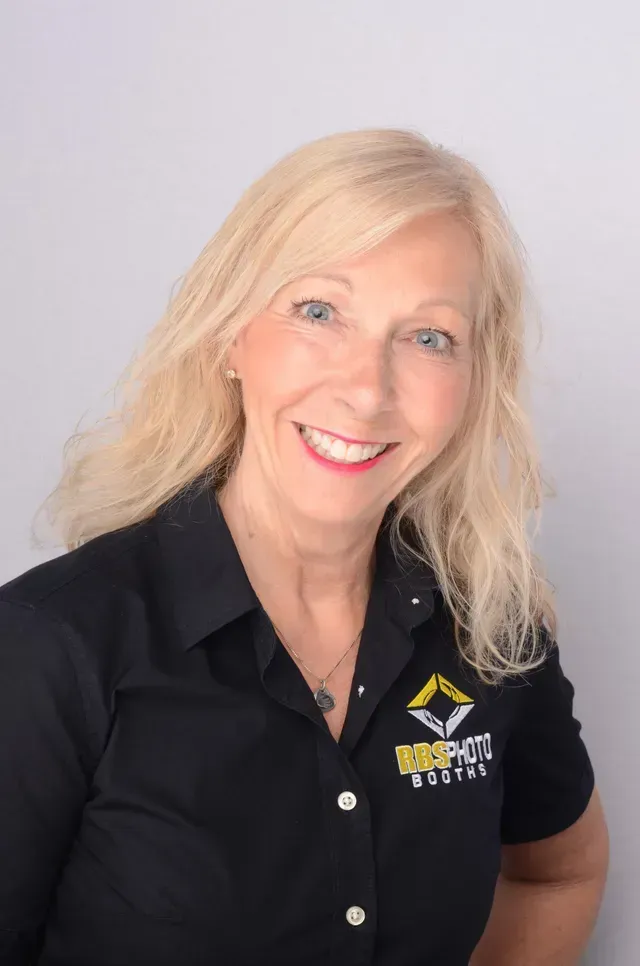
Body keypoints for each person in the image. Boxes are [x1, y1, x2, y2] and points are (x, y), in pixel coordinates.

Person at [0, 128, 608, 966]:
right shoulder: (49, 645)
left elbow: (558, 874)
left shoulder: (491, 632)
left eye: (428, 337)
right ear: (229, 333)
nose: (366, 390)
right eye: (319, 312)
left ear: (475, 380)